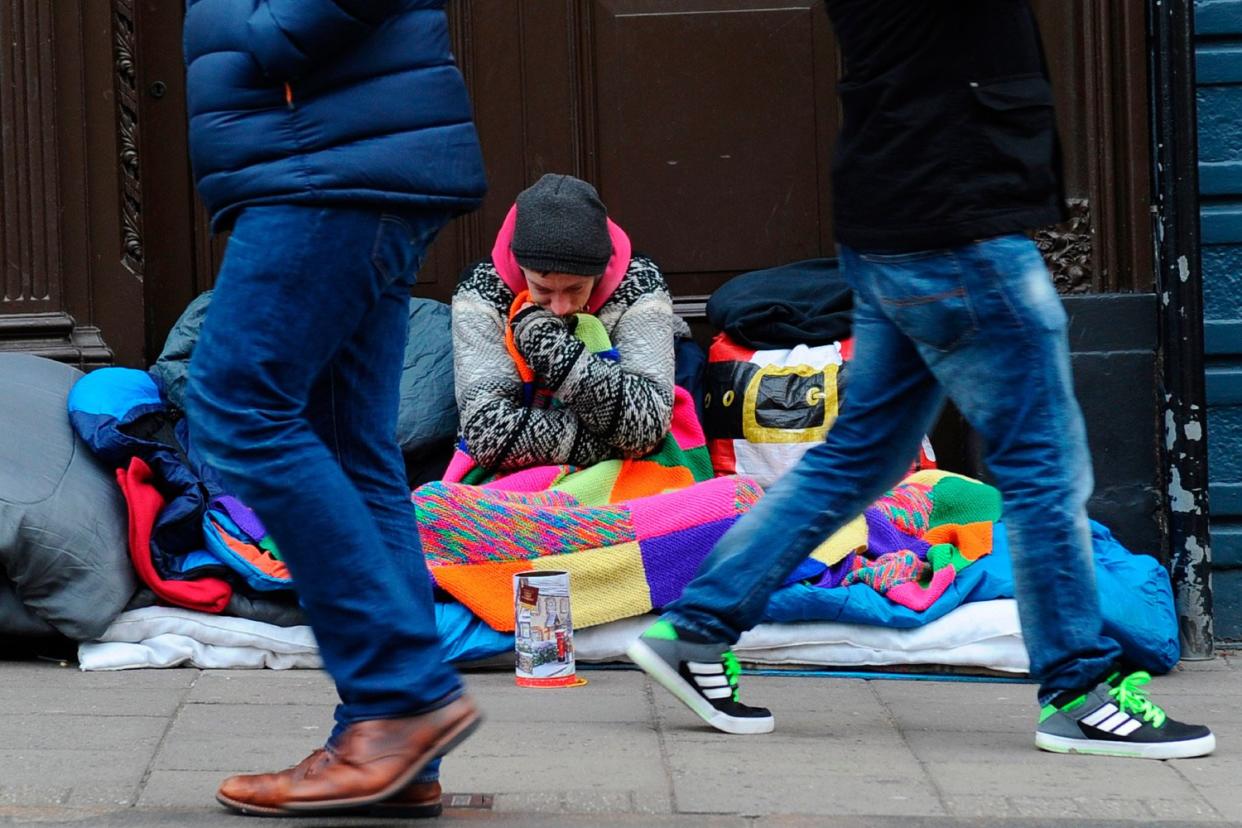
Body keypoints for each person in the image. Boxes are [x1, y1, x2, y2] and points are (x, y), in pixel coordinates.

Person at [627, 0, 1216, 759]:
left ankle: (699, 627)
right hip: (957, 232)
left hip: (896, 222)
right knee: (1042, 468)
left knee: (859, 458)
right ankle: (1079, 691)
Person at [182, 0, 487, 816]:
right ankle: (388, 738)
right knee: (350, 451)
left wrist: (274, 28)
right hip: (327, 152)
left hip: (325, 158)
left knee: (236, 405)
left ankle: (402, 697)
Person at [451, 173, 679, 473]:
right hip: (513, 483)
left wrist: (551, 348)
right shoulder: (481, 290)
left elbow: (647, 424)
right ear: (520, 267)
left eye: (576, 289)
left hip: (625, 482)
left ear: (599, 272)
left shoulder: (639, 281)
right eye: (542, 289)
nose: (560, 308)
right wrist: (618, 445)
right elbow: (487, 433)